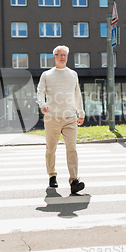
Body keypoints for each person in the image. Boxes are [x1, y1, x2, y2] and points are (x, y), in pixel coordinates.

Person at [37, 45, 86, 194]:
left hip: (70, 117)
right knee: (51, 149)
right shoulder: (46, 75)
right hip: (52, 118)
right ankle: (52, 175)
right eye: (60, 55)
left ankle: (74, 181)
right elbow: (40, 91)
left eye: (65, 55)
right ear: (54, 57)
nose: (63, 57)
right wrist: (43, 105)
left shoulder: (73, 74)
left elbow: (77, 94)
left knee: (72, 149)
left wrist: (81, 112)